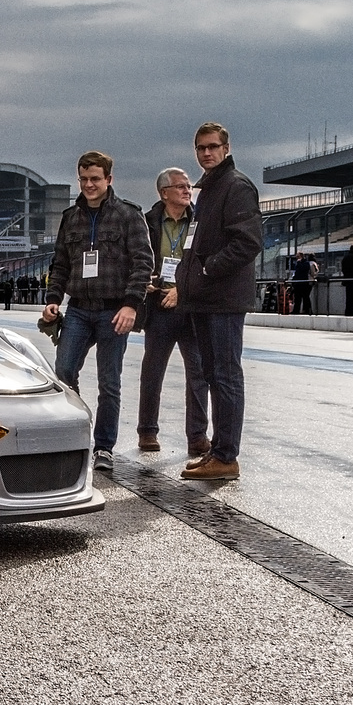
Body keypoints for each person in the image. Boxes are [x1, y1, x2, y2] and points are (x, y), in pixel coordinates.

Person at [43, 150, 152, 472]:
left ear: (109, 179)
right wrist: (52, 298)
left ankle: (104, 447)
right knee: (62, 374)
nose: (89, 185)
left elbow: (143, 263)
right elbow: (60, 263)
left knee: (110, 382)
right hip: (77, 309)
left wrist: (131, 304)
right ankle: (76, 432)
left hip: (113, 311)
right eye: (84, 179)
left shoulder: (129, 215)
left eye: (95, 179)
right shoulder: (70, 217)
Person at [175, 122, 263, 481]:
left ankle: (227, 456)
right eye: (200, 148)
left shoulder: (236, 186)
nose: (206, 153)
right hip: (205, 299)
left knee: (225, 376)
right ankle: (219, 448)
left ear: (226, 148)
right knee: (212, 375)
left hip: (223, 299)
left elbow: (248, 242)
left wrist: (209, 270)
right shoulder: (208, 190)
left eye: (212, 147)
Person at [136, 167, 211, 457]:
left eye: (188, 186)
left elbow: (205, 261)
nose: (186, 190)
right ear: (163, 192)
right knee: (152, 372)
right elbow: (137, 258)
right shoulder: (148, 222)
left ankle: (197, 437)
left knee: (199, 374)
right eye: (179, 186)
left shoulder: (200, 221)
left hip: (191, 305)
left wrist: (184, 289)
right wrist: (144, 280)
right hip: (159, 305)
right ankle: (147, 432)